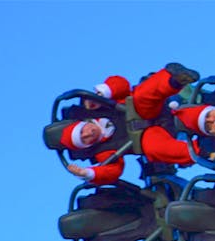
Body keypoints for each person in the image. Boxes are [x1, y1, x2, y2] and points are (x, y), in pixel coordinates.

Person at [61, 63, 200, 184]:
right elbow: (112, 171)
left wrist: (104, 93)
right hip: (147, 136)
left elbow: (121, 84)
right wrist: (89, 174)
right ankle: (204, 151)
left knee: (142, 95)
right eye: (84, 140)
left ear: (82, 123)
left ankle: (174, 79)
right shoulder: (103, 151)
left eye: (82, 131)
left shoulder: (96, 107)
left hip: (147, 109)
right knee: (155, 150)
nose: (88, 134)